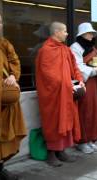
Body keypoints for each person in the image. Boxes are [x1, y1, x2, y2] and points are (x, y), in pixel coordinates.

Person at [36, 22, 85, 167]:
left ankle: (61, 150)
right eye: (64, 31)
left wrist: (80, 80)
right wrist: (67, 84)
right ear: (56, 32)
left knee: (67, 119)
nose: (67, 33)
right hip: (52, 94)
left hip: (66, 92)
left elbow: (74, 67)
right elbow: (48, 75)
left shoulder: (65, 49)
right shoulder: (46, 50)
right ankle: (51, 153)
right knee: (53, 122)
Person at [0, 10, 27, 180]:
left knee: (2, 132)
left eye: (0, 22)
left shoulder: (4, 43)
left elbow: (14, 61)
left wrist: (13, 75)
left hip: (3, 99)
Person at [70, 22, 97, 154]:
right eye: (89, 33)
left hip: (94, 83)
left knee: (94, 111)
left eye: (93, 34)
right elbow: (76, 67)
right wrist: (95, 70)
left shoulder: (93, 48)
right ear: (82, 34)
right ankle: (81, 141)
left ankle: (91, 139)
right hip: (84, 83)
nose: (91, 36)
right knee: (84, 112)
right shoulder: (75, 47)